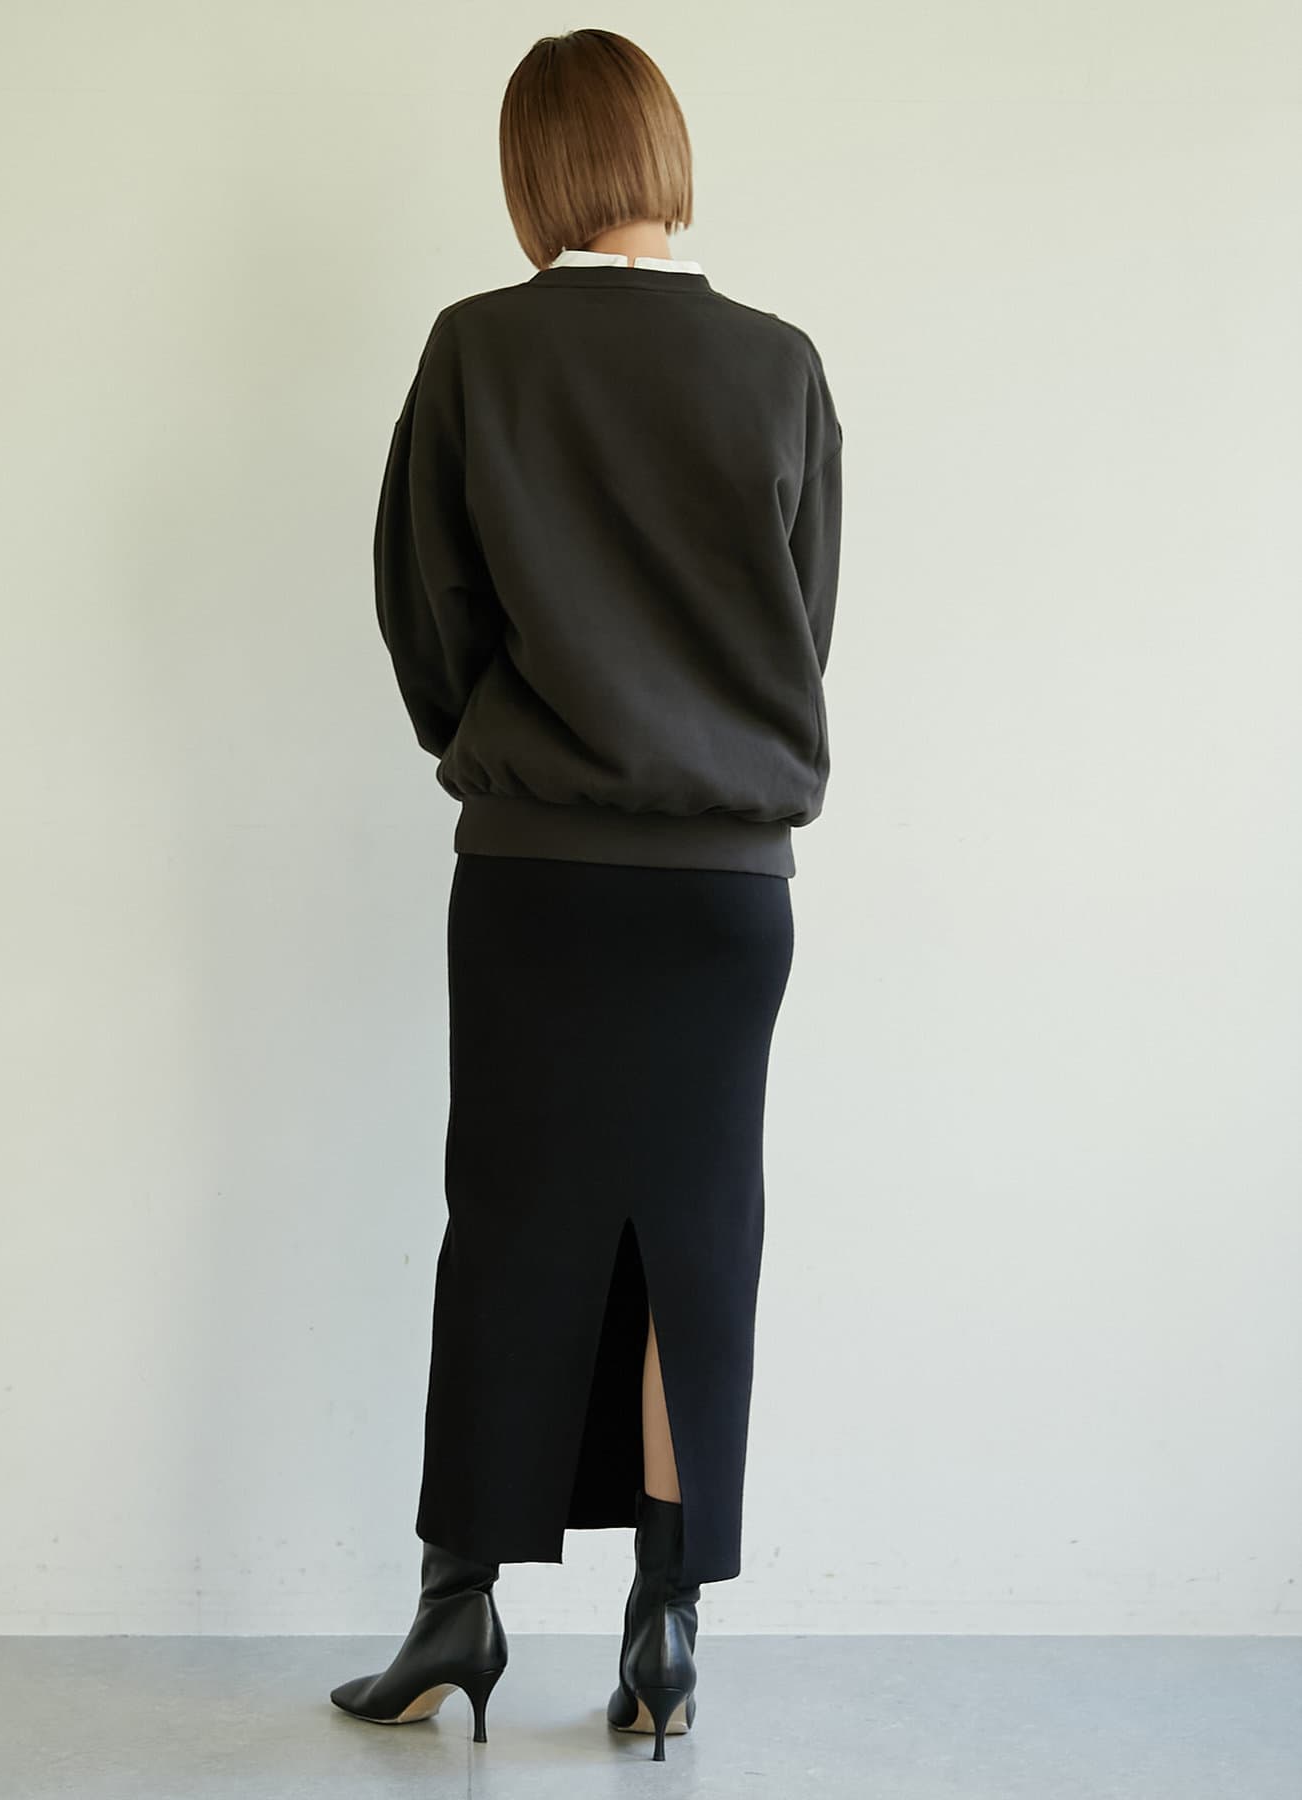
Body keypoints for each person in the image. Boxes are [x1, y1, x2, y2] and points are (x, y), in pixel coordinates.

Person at [330, 26, 844, 1763]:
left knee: (511, 1225)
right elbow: (803, 623)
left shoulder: (479, 350)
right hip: (727, 893)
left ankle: (456, 1606)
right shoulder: (779, 365)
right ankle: (666, 1627)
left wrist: (507, 746)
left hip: (539, 873)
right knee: (697, 1239)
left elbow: (424, 608)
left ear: (532, 171)